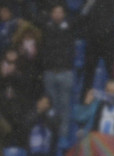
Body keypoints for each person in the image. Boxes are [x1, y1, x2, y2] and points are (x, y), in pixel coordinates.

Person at [41, 4, 76, 139]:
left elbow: (83, 16)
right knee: (51, 107)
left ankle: (62, 139)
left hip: (65, 72)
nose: (57, 14)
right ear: (51, 14)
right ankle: (52, 139)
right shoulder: (47, 27)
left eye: (60, 12)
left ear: (64, 14)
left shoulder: (70, 27)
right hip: (50, 72)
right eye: (54, 12)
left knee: (65, 108)